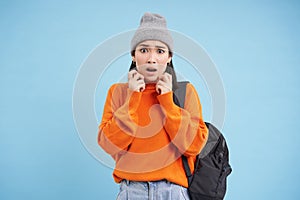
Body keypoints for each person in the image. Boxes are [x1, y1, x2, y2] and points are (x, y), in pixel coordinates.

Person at [98, 12, 208, 200]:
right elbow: (109, 144)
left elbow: (194, 146)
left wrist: (167, 101)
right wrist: (133, 99)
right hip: (131, 192)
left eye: (160, 51)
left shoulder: (185, 92)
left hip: (173, 192)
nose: (151, 59)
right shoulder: (118, 92)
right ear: (133, 56)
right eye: (143, 50)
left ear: (169, 57)